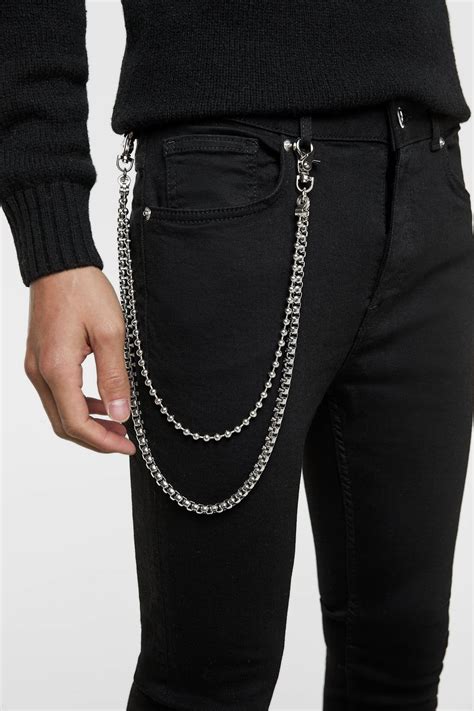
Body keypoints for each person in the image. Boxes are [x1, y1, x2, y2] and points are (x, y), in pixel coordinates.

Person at [1, 2, 473, 710]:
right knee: (208, 679)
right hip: (226, 183)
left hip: (427, 170)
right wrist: (54, 239)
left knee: (400, 663)